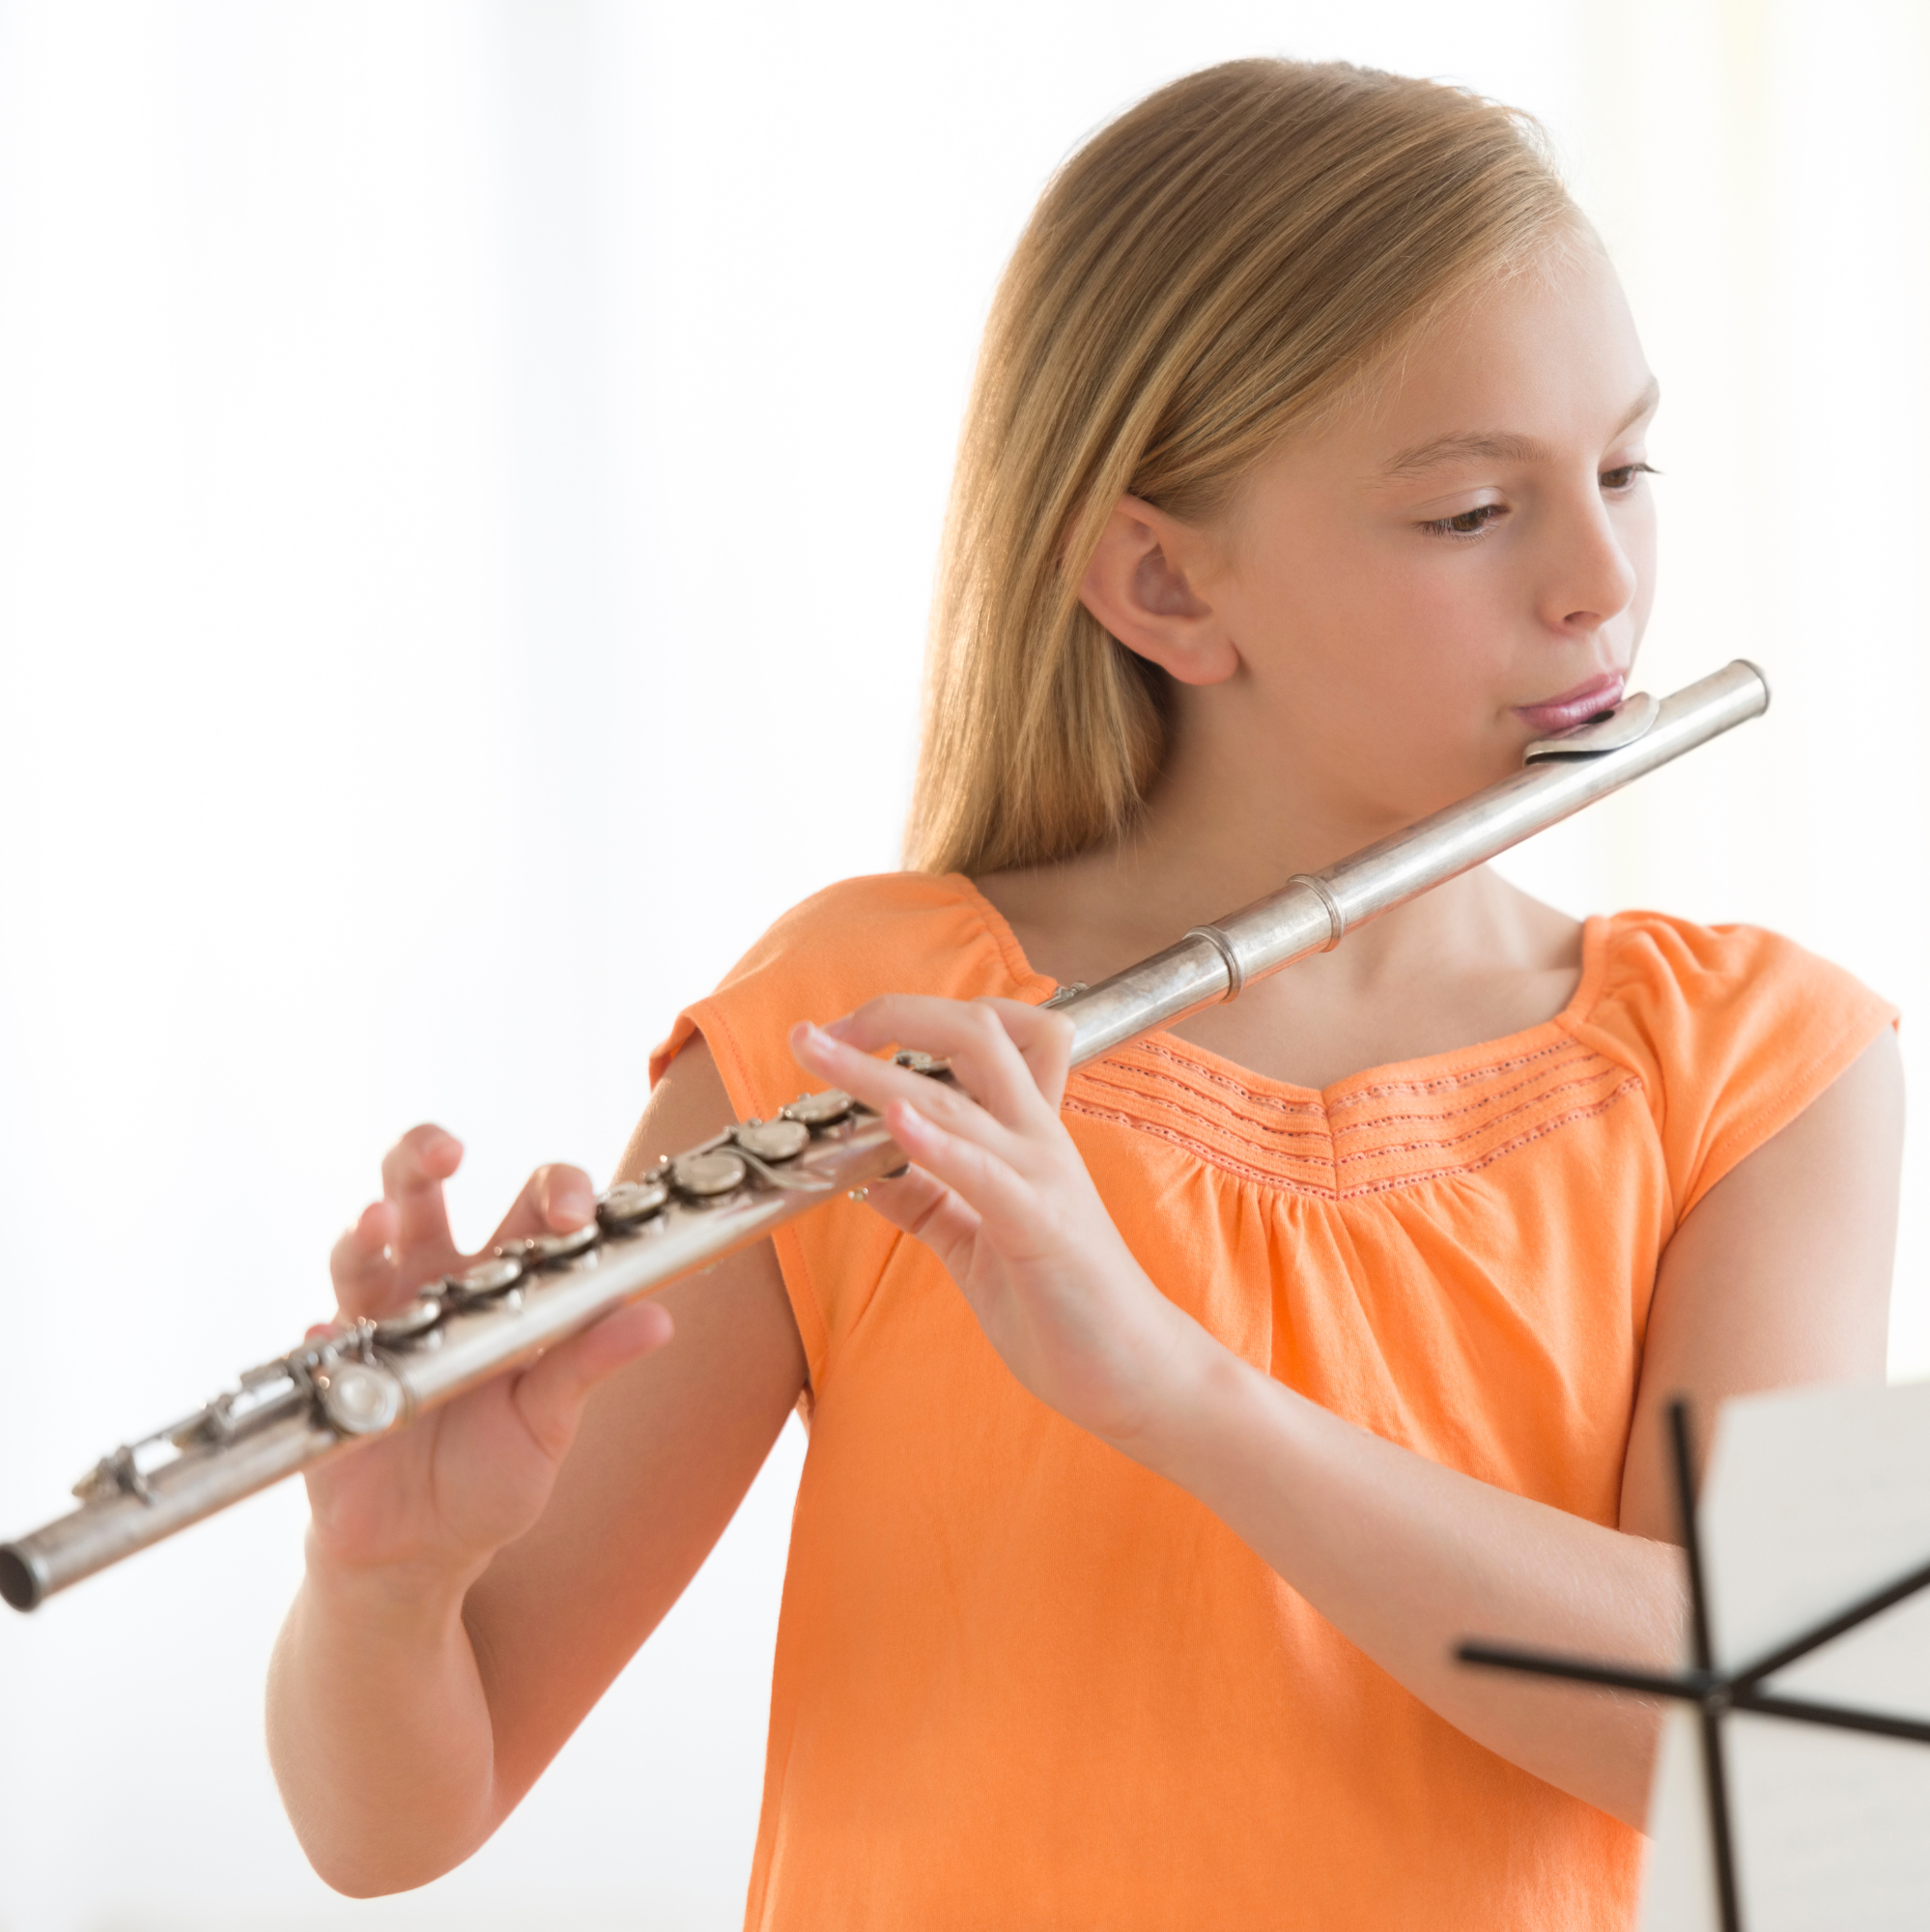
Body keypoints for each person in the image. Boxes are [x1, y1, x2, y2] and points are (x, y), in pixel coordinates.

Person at [266, 58, 1903, 1930]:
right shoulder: (865, 1026)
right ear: (1160, 583)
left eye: (1621, 469)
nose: (1599, 582)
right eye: (1470, 511)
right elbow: (392, 1822)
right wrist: (383, 1587)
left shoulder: (1766, 1064)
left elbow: (1797, 1747)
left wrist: (1175, 1389)